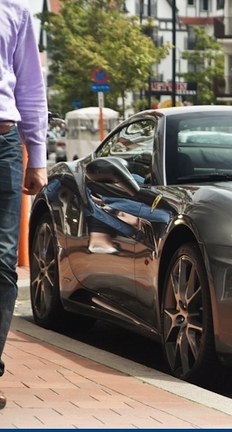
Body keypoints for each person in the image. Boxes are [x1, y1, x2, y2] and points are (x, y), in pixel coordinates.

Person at [0, 1, 49, 409]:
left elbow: (29, 86)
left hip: (3, 144)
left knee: (1, 262)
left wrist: (39, 155)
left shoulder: (15, 12)